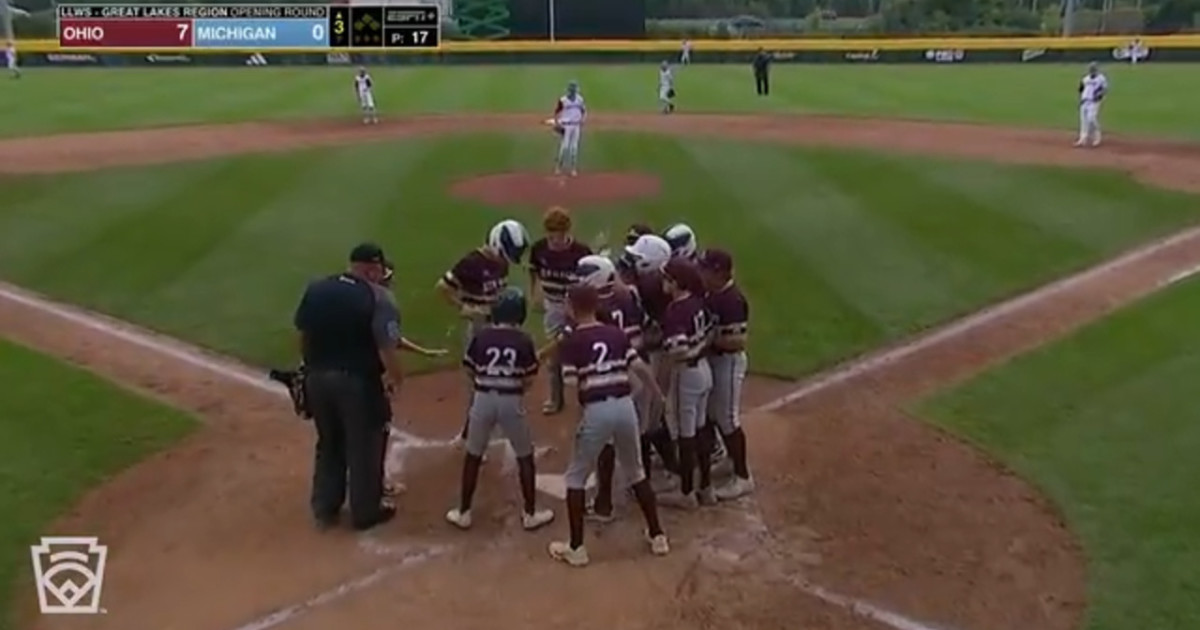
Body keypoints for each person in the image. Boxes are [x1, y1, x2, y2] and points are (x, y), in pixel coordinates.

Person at [549, 284, 670, 567]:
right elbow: (639, 367)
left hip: (597, 410)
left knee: (575, 478)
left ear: (571, 306)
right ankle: (658, 535)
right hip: (625, 406)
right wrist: (657, 393)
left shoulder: (571, 341)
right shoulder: (615, 333)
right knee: (636, 471)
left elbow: (569, 381)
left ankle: (577, 548)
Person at [293, 243, 402, 531]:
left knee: (329, 441)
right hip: (356, 383)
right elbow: (386, 347)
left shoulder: (317, 288)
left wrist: (307, 368)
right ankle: (365, 511)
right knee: (365, 443)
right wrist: (395, 378)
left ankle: (325, 507)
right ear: (371, 268)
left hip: (317, 379)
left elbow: (303, 334)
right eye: (380, 269)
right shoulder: (379, 298)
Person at [446, 287, 556, 532]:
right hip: (510, 401)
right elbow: (528, 379)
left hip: (482, 400)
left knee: (473, 454)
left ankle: (463, 511)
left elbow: (469, 369)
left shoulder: (481, 336)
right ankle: (530, 513)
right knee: (525, 455)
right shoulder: (524, 339)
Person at [438, 219, 530, 444]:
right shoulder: (472, 262)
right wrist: (464, 307)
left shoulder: (502, 263)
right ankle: (470, 434)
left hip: (500, 328)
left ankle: (490, 427)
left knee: (500, 379)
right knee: (478, 384)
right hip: (480, 331)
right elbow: (442, 287)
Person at [655, 257, 716, 510]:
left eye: (667, 278)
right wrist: (698, 347)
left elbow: (677, 350)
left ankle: (687, 492)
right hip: (704, 371)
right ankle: (707, 488)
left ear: (677, 283)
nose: (663, 282)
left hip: (687, 375)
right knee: (701, 429)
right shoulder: (698, 303)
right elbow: (711, 333)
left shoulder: (675, 311)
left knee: (685, 434)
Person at [698, 249, 754, 500]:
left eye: (706, 269)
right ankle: (729, 461)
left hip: (728, 364)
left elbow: (738, 341)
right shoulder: (711, 293)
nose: (702, 273)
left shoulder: (733, 300)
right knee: (711, 413)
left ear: (719, 272)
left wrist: (707, 341)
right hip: (714, 361)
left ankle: (743, 477)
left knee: (727, 418)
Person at [529, 207, 592, 415]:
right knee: (554, 355)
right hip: (553, 305)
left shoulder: (581, 252)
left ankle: (587, 398)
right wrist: (534, 294)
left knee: (582, 352)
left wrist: (578, 308)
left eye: (560, 234)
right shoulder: (539, 249)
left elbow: (589, 282)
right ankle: (556, 399)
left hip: (576, 307)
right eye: (551, 234)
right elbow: (533, 270)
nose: (555, 239)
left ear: (567, 231)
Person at [552, 80, 586, 176]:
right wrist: (557, 123)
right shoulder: (563, 100)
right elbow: (556, 112)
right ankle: (558, 167)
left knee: (574, 148)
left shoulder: (580, 99)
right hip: (566, 126)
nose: (573, 91)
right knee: (565, 147)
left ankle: (573, 169)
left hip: (576, 126)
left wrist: (582, 120)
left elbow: (583, 111)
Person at [1076, 61, 1108, 148]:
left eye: (1093, 69)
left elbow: (1104, 89)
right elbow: (1081, 89)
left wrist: (1099, 95)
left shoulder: (1101, 79)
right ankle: (1082, 139)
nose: (1092, 70)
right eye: (1090, 69)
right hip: (1085, 101)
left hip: (1094, 102)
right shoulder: (1085, 79)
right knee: (1083, 121)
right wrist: (1081, 99)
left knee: (1091, 118)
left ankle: (1097, 136)